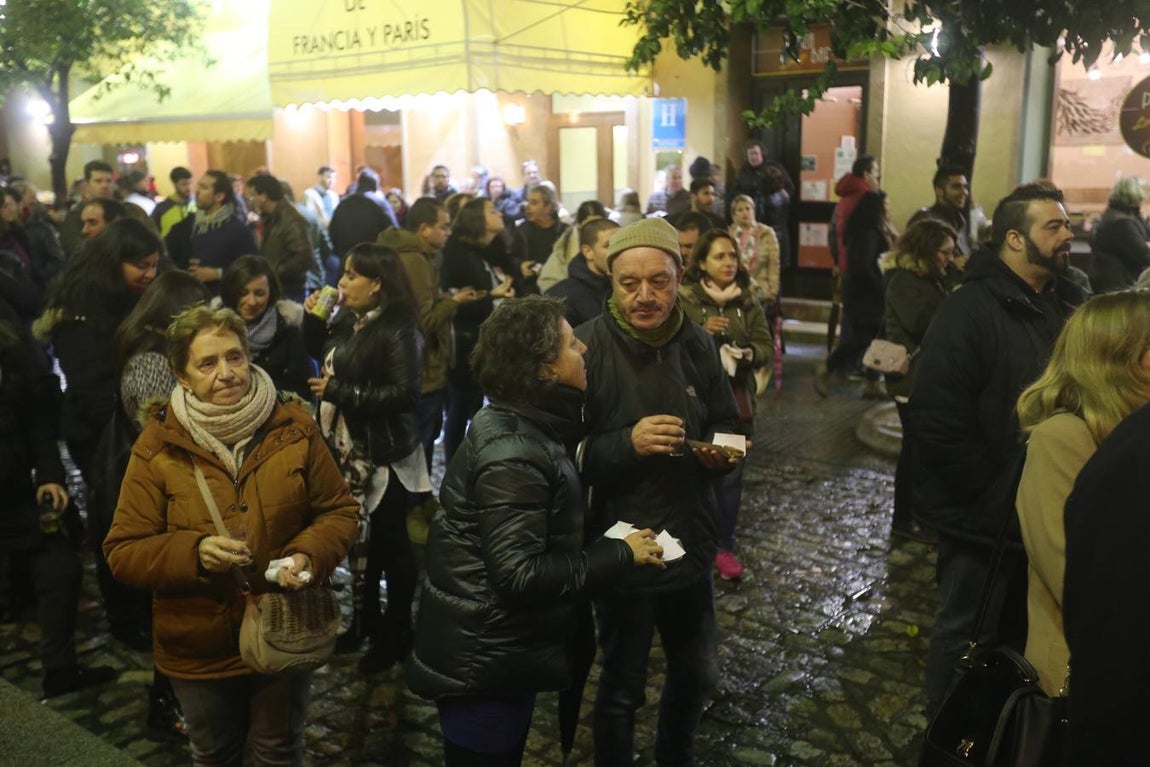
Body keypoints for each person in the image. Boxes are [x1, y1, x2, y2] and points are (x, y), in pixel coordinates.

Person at [408, 295, 665, 766]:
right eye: (570, 344)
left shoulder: (523, 424)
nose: (583, 349)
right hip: (483, 663)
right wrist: (617, 553)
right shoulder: (514, 449)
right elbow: (520, 573)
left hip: (500, 652)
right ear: (543, 369)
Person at [103, 304, 359, 767]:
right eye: (208, 363)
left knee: (278, 751)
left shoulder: (294, 425)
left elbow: (339, 511)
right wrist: (194, 553)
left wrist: (307, 554)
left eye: (235, 357)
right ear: (182, 377)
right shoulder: (157, 446)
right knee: (216, 753)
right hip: (198, 639)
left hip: (283, 623)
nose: (227, 373)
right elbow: (123, 551)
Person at [908, 181, 1085, 714]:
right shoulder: (969, 312)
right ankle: (947, 733)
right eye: (1052, 226)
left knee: (1023, 634)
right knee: (965, 631)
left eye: (1067, 224)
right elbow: (938, 421)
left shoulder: (1068, 302)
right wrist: (993, 497)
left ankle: (1002, 730)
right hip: (981, 519)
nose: (1066, 235)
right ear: (1014, 238)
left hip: (1043, 510)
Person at [575, 217, 740, 766]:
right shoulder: (586, 348)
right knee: (622, 685)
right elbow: (562, 456)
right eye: (629, 283)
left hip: (689, 535)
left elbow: (730, 422)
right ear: (611, 280)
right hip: (623, 541)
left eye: (659, 282)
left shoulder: (697, 342)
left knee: (696, 675)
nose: (645, 296)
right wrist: (627, 442)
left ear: (679, 276)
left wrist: (723, 453)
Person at [1013, 292, 1150, 709]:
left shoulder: (1133, 434)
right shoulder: (1063, 439)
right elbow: (1073, 574)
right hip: (1079, 676)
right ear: (1120, 357)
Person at [303, 244, 428, 673]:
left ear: (378, 284)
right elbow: (318, 355)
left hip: (385, 455)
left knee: (392, 547)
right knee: (362, 545)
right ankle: (365, 621)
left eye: (353, 276)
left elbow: (406, 395)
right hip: (349, 449)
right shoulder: (348, 319)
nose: (342, 283)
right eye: (345, 273)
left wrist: (340, 393)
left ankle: (395, 634)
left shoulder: (399, 328)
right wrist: (313, 318)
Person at [110, 270, 211, 741]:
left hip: (174, 488)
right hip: (166, 494)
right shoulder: (151, 359)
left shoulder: (149, 346)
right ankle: (167, 706)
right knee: (174, 600)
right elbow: (159, 428)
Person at [0, 299, 117, 700]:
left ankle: (60, 670)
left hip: (17, 491)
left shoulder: (11, 355)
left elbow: (35, 420)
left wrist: (49, 475)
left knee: (60, 567)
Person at [679, 229, 772, 580]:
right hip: (693, 404)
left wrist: (750, 353)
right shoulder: (685, 299)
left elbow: (766, 345)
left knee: (730, 476)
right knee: (691, 473)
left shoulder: (747, 301)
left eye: (732, 256)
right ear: (702, 262)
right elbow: (674, 346)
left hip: (735, 406)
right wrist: (703, 327)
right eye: (720, 256)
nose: (729, 263)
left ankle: (723, 546)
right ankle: (691, 540)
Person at [379, 198, 480, 476]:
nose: (449, 233)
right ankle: (416, 508)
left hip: (416, 364)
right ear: (424, 229)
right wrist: (454, 302)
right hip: (423, 367)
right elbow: (423, 320)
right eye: (444, 227)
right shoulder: (415, 260)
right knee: (420, 445)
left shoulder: (411, 255)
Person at [878, 218, 957, 542]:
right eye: (945, 253)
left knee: (922, 449)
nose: (950, 259)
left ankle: (919, 516)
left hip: (927, 378)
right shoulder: (902, 281)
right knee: (915, 451)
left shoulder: (933, 278)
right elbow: (921, 322)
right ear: (926, 251)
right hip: (909, 380)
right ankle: (905, 520)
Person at [440, 198, 516, 465]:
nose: (499, 214)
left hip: (486, 338)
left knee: (475, 407)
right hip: (465, 342)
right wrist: (492, 295)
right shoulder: (457, 253)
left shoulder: (488, 248)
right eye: (491, 211)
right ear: (477, 220)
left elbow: (506, 270)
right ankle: (455, 467)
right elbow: (459, 301)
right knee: (460, 409)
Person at [817, 190, 896, 399]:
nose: (890, 208)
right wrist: (881, 286)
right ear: (876, 208)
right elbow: (864, 266)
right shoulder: (868, 233)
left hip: (867, 292)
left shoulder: (876, 229)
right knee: (864, 338)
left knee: (876, 338)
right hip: (866, 295)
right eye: (887, 204)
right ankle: (828, 367)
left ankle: (871, 382)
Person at [220, 255, 313, 400]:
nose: (251, 302)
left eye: (259, 293)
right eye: (243, 293)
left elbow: (302, 390)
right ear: (231, 291)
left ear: (271, 293)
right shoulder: (214, 328)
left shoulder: (288, 328)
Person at [165, 170, 258, 296]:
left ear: (219, 196)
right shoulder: (191, 225)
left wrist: (217, 273)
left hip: (224, 302)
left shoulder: (237, 230)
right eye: (198, 185)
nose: (196, 191)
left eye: (204, 188)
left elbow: (253, 270)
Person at [245, 174, 318, 302]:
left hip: (289, 291)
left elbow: (304, 258)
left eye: (252, 195)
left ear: (264, 197)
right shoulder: (270, 217)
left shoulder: (291, 220)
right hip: (277, 287)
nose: (250, 200)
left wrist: (273, 272)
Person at [726, 141, 794, 268]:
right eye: (750, 154)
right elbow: (734, 195)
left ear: (761, 154)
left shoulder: (773, 168)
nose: (753, 157)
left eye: (755, 153)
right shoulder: (743, 172)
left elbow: (789, 188)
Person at [546, 218, 619, 329]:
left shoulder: (628, 285)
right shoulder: (561, 297)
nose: (618, 251)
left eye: (621, 243)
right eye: (608, 246)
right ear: (588, 252)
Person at [1086, 176, 1150, 293]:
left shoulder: (1119, 214)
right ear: (1133, 196)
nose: (1144, 199)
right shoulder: (1121, 223)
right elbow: (1145, 256)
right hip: (1118, 286)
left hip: (1114, 281)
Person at [537, 199, 606, 294]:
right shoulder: (568, 243)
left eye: (599, 224)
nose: (594, 230)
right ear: (580, 225)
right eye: (589, 225)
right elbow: (548, 280)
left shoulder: (610, 237)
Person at [328, 169, 398, 259]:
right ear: (376, 185)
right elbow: (394, 233)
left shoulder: (342, 205)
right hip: (374, 261)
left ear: (358, 184)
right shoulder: (381, 204)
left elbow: (332, 234)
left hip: (347, 260)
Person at [510, 184, 567, 294]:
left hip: (559, 288)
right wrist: (520, 266)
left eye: (534, 203)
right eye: (528, 202)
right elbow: (511, 258)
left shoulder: (564, 232)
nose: (527, 207)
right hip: (529, 290)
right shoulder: (521, 231)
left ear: (548, 207)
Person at [729, 193, 781, 311]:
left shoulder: (766, 233)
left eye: (748, 208)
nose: (745, 212)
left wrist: (773, 291)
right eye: (740, 210)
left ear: (754, 211)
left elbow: (774, 264)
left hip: (761, 291)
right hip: (734, 291)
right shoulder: (728, 234)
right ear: (733, 215)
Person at [907, 166, 972, 262]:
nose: (964, 192)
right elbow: (917, 261)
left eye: (965, 187)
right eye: (956, 187)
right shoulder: (925, 221)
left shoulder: (960, 221)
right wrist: (953, 264)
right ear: (939, 191)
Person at [831, 155, 880, 274]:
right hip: (861, 263)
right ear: (866, 174)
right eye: (876, 171)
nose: (878, 175)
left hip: (846, 260)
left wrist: (838, 261)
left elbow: (832, 232)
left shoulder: (846, 197)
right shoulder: (866, 199)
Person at [59, 159, 115, 258]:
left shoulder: (120, 211)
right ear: (87, 184)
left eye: (109, 181)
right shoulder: (76, 216)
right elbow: (78, 250)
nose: (105, 186)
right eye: (98, 181)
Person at [151, 166, 194, 239]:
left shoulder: (198, 203)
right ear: (174, 184)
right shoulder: (162, 209)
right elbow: (153, 233)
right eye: (184, 184)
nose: (188, 188)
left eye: (190, 183)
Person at [303, 165, 340, 232]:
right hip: (318, 233)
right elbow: (308, 218)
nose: (332, 181)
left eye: (334, 178)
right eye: (329, 177)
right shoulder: (309, 194)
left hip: (333, 232)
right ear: (320, 177)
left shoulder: (334, 195)